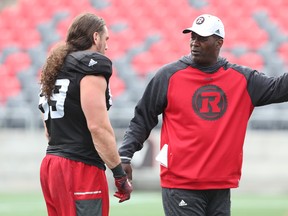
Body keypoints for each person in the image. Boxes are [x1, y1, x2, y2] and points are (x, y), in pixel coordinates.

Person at [118, 14, 288, 216]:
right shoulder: (167, 76)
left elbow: (281, 87)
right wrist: (125, 155)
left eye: (202, 38)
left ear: (219, 43)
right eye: (192, 37)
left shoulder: (242, 80)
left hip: (220, 185)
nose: (194, 43)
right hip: (181, 184)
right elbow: (142, 119)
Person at [38, 13, 132, 216]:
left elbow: (48, 130)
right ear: (95, 37)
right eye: (106, 39)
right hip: (79, 167)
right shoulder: (90, 65)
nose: (107, 47)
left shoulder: (57, 66)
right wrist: (119, 174)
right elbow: (97, 127)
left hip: (51, 164)